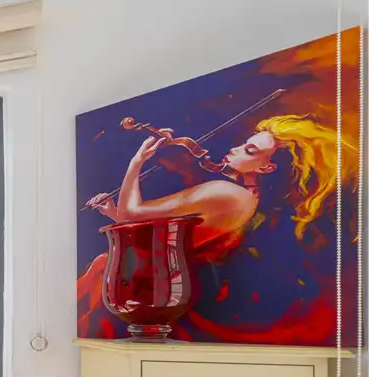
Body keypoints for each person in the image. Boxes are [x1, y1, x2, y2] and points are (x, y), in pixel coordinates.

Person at [77, 113, 355, 340]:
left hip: (143, 287)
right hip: (151, 282)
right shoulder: (249, 198)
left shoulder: (226, 192)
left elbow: (133, 214)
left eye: (249, 150)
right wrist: (113, 212)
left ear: (266, 168)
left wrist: (136, 162)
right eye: (244, 143)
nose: (235, 149)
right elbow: (158, 231)